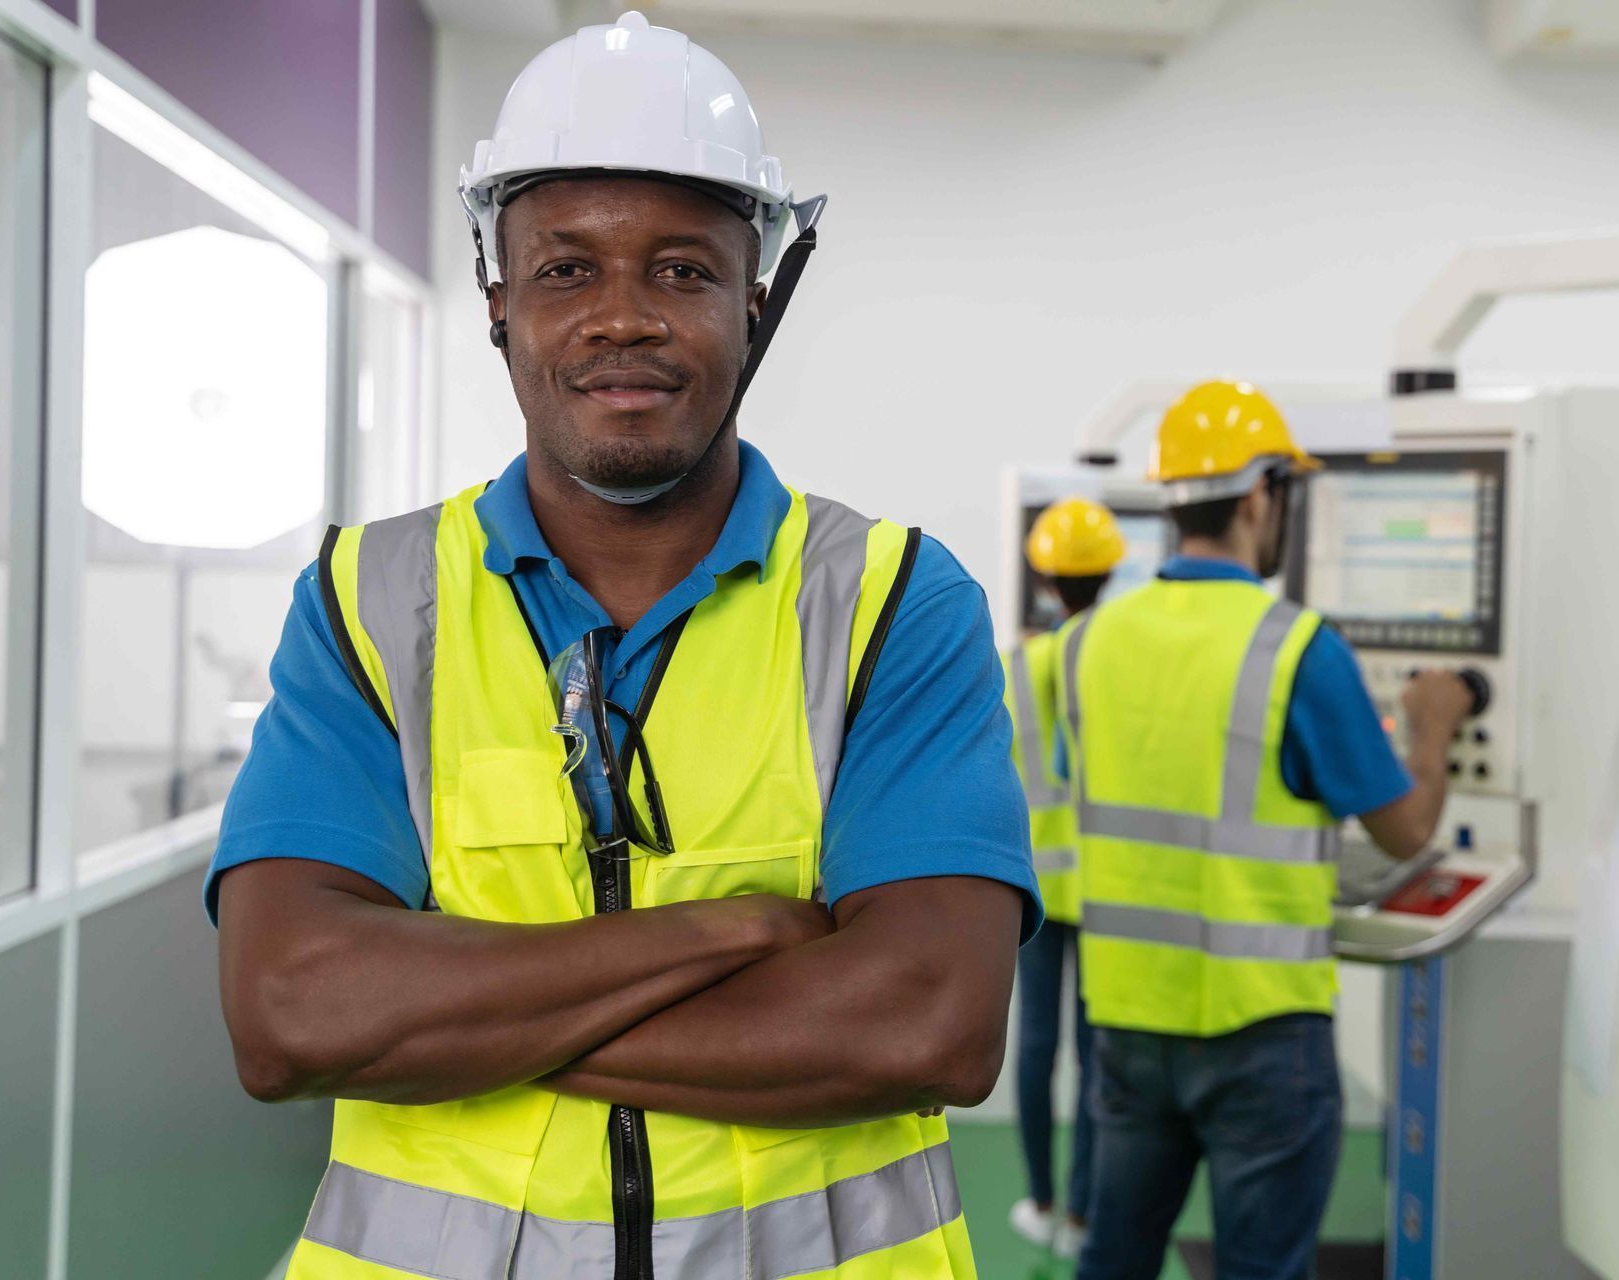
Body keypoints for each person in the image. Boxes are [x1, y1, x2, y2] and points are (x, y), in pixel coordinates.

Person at [207, 15, 1037, 1279]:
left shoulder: (891, 603)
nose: (622, 319)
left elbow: (928, 1023)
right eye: (565, 270)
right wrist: (733, 934)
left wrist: (441, 1010)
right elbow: (289, 1015)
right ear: (498, 306)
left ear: (755, 304)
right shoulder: (365, 604)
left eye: (681, 271)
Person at [1062, 381, 1475, 1280]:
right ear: (1260, 497)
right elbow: (1405, 832)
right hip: (1262, 1030)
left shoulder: (1095, 639)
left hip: (1128, 1014)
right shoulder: (1294, 645)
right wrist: (1431, 729)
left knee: (1116, 1258)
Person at [1004, 498, 1126, 1258]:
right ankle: (1082, 1214)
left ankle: (1040, 1200)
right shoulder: (1118, 665)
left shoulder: (1011, 664)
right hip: (1109, 887)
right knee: (1094, 1053)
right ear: (1112, 573)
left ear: (1044, 577)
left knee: (1036, 1045)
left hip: (1035, 889)